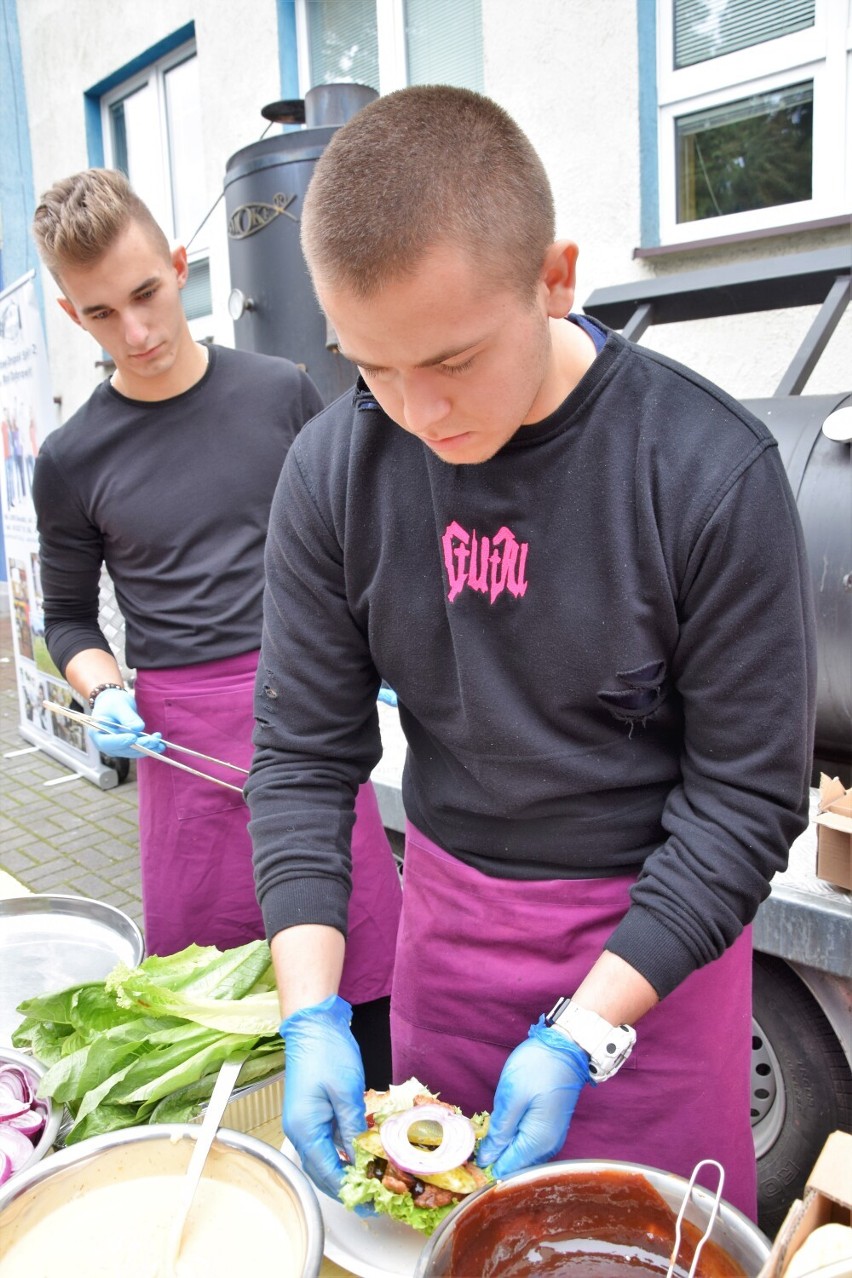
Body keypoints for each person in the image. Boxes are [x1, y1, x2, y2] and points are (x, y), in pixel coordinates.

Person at [245, 86, 816, 1220]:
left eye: (451, 360)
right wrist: (308, 1009)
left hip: (654, 959)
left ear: (556, 277)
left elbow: (746, 798)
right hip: (448, 938)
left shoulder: (706, 471)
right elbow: (304, 757)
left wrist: (584, 1031)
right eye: (371, 365)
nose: (416, 411)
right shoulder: (331, 472)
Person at [30, 168, 402, 1085]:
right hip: (178, 746)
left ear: (182, 267)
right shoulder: (73, 459)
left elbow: (363, 546)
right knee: (212, 1018)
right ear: (75, 317)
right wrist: (104, 691)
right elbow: (69, 620)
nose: (139, 332)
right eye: (102, 314)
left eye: (148, 294)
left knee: (369, 990)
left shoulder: (281, 393)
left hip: (307, 721)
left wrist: (389, 651)